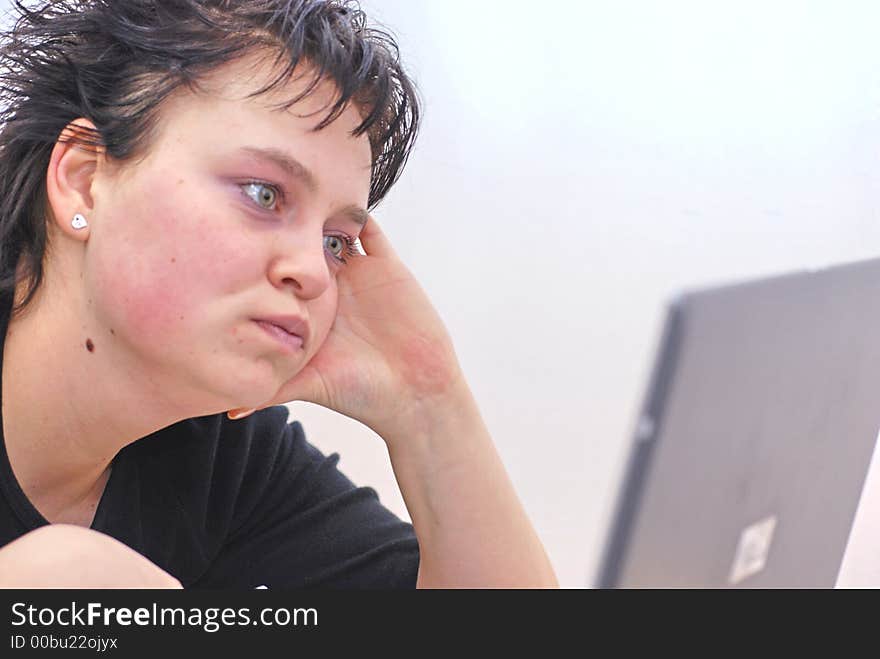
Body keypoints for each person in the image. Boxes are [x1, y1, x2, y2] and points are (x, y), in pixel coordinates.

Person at [0, 0, 558, 588]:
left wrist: (429, 400)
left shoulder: (221, 463)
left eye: (336, 242)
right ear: (83, 181)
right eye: (264, 194)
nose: (315, 274)